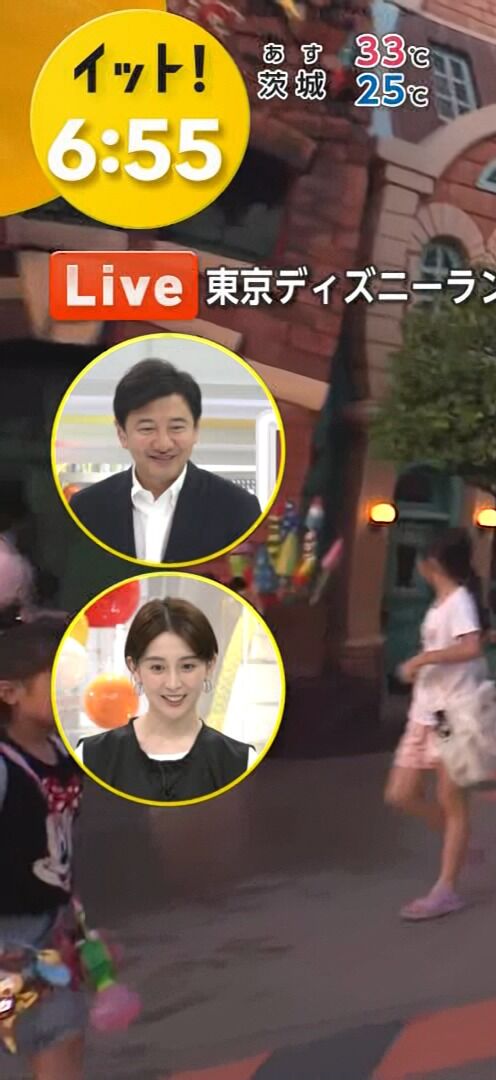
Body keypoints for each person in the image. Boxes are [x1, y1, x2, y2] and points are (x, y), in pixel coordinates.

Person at [385, 529, 489, 921]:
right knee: (400, 794)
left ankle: (446, 890)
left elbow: (471, 646)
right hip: (425, 713)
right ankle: (459, 841)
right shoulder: (441, 603)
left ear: (431, 564)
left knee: (451, 799)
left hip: (454, 716)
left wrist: (422, 660)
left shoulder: (459, 600)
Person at [66, 358, 263, 565]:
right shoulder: (86, 508)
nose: (163, 444)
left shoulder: (238, 509)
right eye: (147, 428)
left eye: (176, 428)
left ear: (195, 430)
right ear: (122, 434)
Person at [0, 615, 88, 1080]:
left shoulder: (64, 752)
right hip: (8, 937)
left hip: (54, 928)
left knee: (63, 1038)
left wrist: (74, 917)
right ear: (10, 692)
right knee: (37, 1040)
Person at [76, 597, 256, 802]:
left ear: (210, 666)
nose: (173, 683)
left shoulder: (241, 762)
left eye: (187, 666)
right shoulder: (90, 757)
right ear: (134, 668)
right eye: (157, 668)